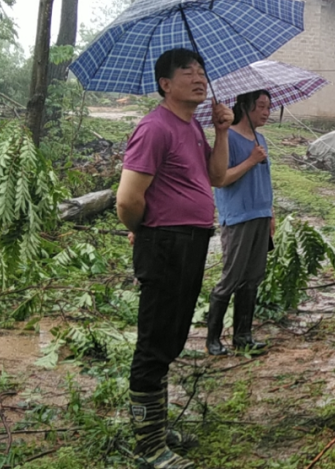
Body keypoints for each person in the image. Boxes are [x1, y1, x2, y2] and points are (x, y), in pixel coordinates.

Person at [116, 48, 233, 469]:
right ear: (165, 84)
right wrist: (144, 231)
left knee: (171, 337)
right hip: (165, 244)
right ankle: (148, 448)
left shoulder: (191, 128)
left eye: (202, 71)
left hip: (191, 242)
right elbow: (127, 199)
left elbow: (217, 177)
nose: (200, 78)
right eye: (188, 72)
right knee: (154, 342)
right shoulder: (155, 127)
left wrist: (221, 132)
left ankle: (154, 427)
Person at [206, 89, 274, 356]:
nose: (266, 112)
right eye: (261, 106)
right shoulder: (229, 138)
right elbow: (220, 178)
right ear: (244, 107)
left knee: (253, 277)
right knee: (231, 277)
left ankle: (243, 335)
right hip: (237, 217)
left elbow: (265, 180)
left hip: (260, 215)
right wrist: (250, 160)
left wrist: (270, 212)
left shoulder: (262, 140)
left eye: (269, 107)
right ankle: (212, 339)